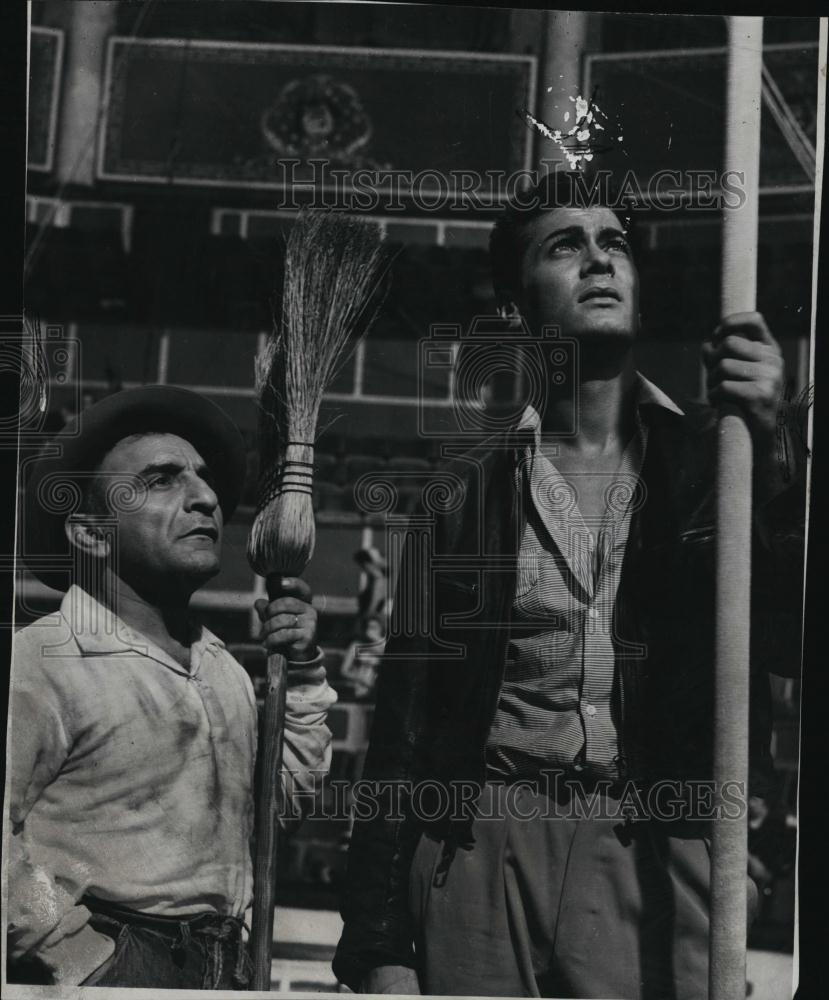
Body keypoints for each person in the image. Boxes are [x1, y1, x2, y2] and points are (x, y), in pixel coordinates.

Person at [333, 172, 805, 998]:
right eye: (566, 245)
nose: (599, 260)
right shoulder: (458, 494)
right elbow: (401, 735)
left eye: (614, 243)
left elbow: (796, 643)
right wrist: (377, 945)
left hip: (660, 845)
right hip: (482, 849)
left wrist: (772, 447)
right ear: (516, 307)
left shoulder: (713, 465)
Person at [7, 385, 336, 990]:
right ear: (90, 533)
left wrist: (306, 668)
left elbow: (278, 806)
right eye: (162, 479)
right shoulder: (39, 663)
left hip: (225, 961)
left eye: (203, 478)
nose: (206, 498)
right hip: (107, 964)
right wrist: (76, 953)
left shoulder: (226, 671)